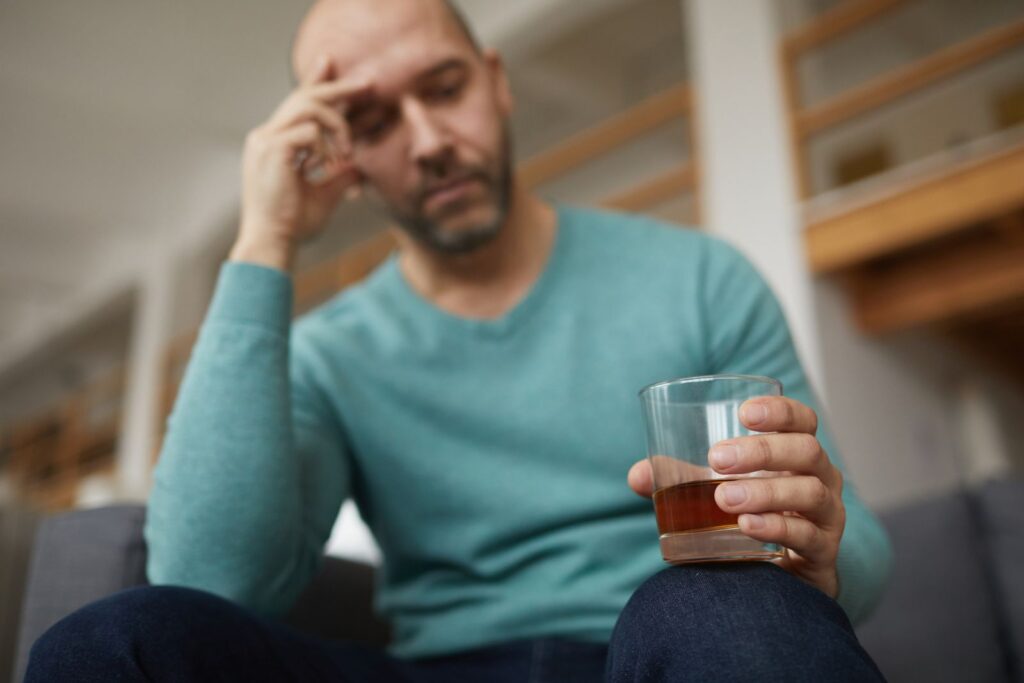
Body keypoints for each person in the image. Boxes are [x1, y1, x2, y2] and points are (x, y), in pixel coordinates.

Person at [26, 0, 892, 680]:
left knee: (717, 605)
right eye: (372, 121)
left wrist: (817, 542)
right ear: (340, 157)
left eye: (444, 89)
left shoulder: (700, 277)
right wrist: (265, 242)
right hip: (432, 668)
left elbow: (865, 562)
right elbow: (212, 585)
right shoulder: (330, 354)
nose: (431, 142)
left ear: (496, 81)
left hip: (671, 650)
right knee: (117, 640)